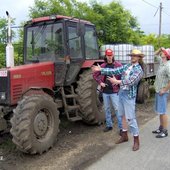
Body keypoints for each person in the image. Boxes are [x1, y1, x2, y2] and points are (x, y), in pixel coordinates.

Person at [92, 49, 144, 151]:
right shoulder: (127, 65)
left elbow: (131, 81)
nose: (132, 57)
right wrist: (101, 70)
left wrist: (117, 81)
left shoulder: (139, 70)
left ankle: (136, 140)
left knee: (131, 118)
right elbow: (115, 70)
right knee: (122, 116)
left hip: (129, 96)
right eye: (132, 55)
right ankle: (124, 135)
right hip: (121, 93)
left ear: (139, 58)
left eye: (135, 55)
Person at [93, 49, 122, 134]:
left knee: (117, 109)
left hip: (114, 92)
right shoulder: (102, 65)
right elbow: (95, 75)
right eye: (108, 55)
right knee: (107, 109)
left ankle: (121, 128)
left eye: (110, 55)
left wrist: (117, 82)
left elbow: (122, 76)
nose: (109, 57)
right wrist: (100, 82)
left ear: (113, 55)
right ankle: (109, 125)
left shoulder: (118, 65)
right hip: (105, 91)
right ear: (105, 56)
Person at [152, 47, 170, 138]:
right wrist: (160, 49)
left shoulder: (168, 65)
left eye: (164, 52)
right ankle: (161, 127)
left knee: (163, 112)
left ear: (167, 55)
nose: (162, 53)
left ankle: (165, 131)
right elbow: (154, 55)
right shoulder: (162, 62)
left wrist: (164, 90)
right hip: (158, 90)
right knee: (160, 111)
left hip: (163, 92)